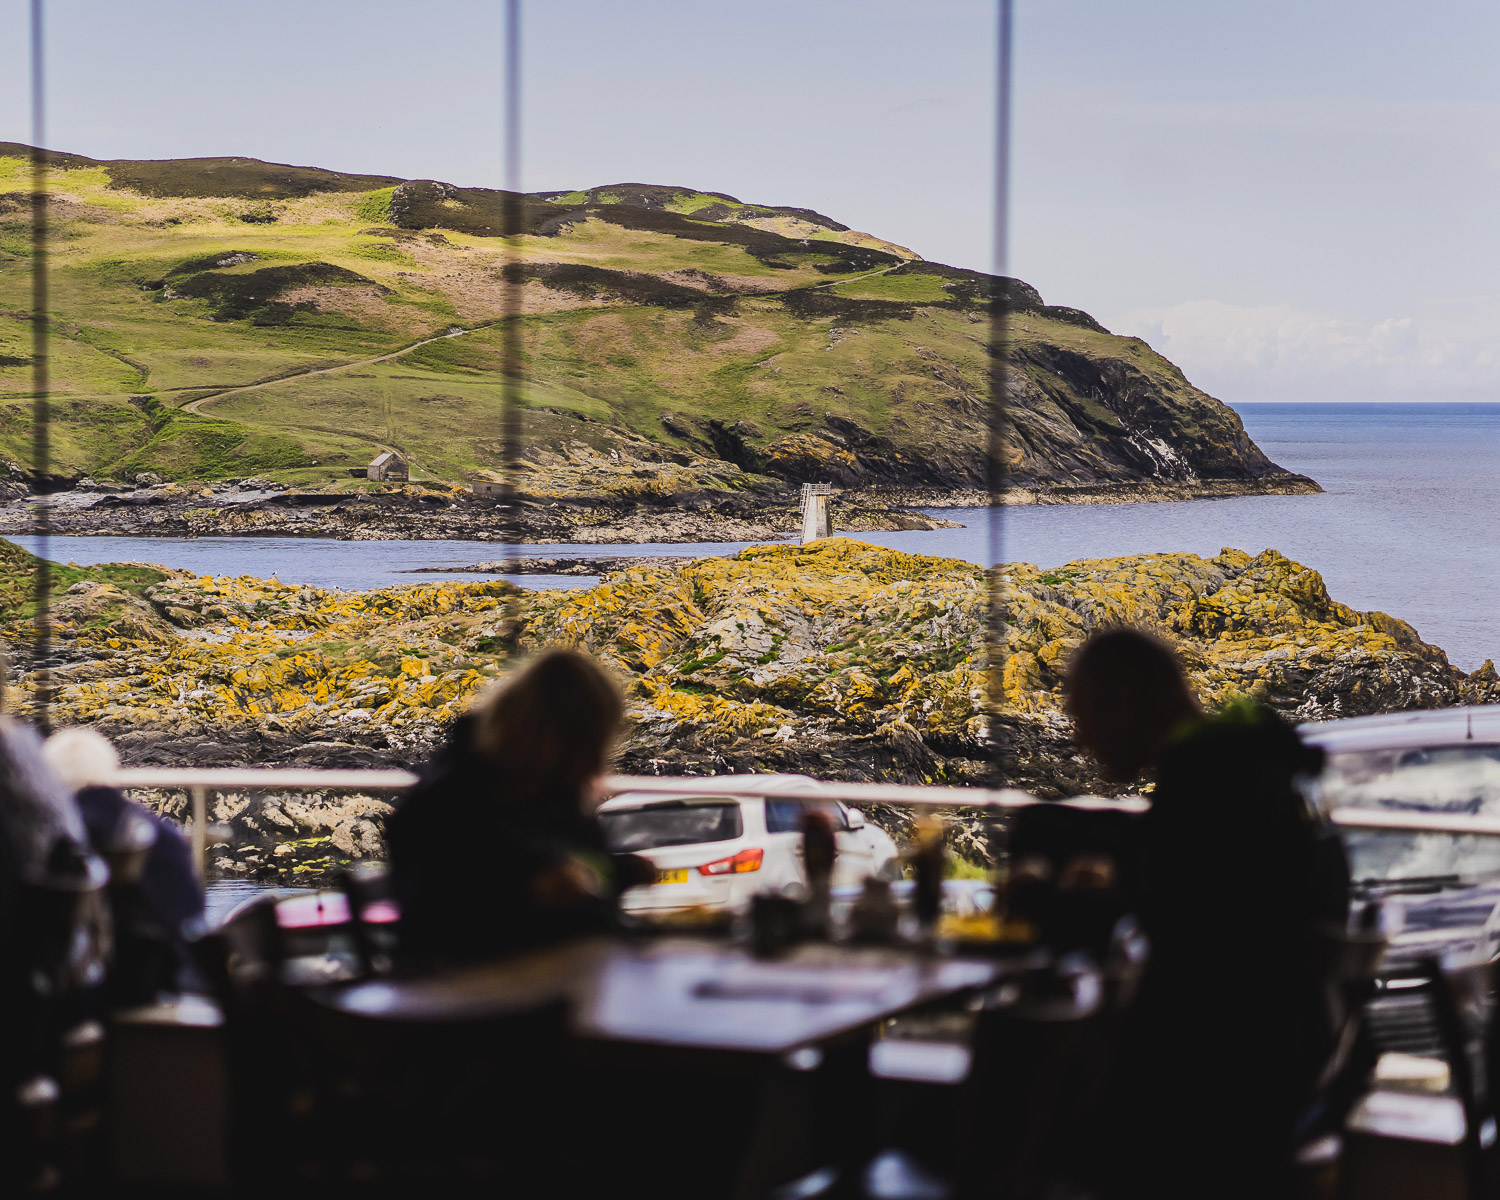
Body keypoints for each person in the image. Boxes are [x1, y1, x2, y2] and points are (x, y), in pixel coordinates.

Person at [1062, 628, 1350, 1197]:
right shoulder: (1248, 768)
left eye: (1084, 715)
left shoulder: (1205, 786)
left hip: (1216, 1094)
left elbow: (1187, 941)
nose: (1080, 738)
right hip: (1284, 1064)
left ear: (1124, 706)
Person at [386, 649, 651, 965]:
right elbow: (438, 914)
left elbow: (579, 867)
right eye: (586, 746)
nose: (595, 765)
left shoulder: (548, 791)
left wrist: (619, 872)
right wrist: (530, 892)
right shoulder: (451, 800)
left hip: (550, 976)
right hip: (468, 992)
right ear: (542, 739)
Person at [42, 727, 204, 993]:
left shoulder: (55, 836)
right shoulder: (161, 834)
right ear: (108, 768)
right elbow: (191, 917)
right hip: (163, 981)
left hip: (76, 990)